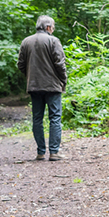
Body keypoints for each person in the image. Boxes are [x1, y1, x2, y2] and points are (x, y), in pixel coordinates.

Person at [17, 15, 67, 161]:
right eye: (53, 26)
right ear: (48, 27)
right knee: (55, 118)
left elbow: (20, 64)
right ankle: (54, 152)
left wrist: (30, 76)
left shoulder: (26, 41)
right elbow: (60, 64)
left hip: (34, 86)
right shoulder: (53, 41)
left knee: (37, 119)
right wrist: (63, 79)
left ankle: (40, 152)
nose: (53, 29)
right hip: (53, 86)